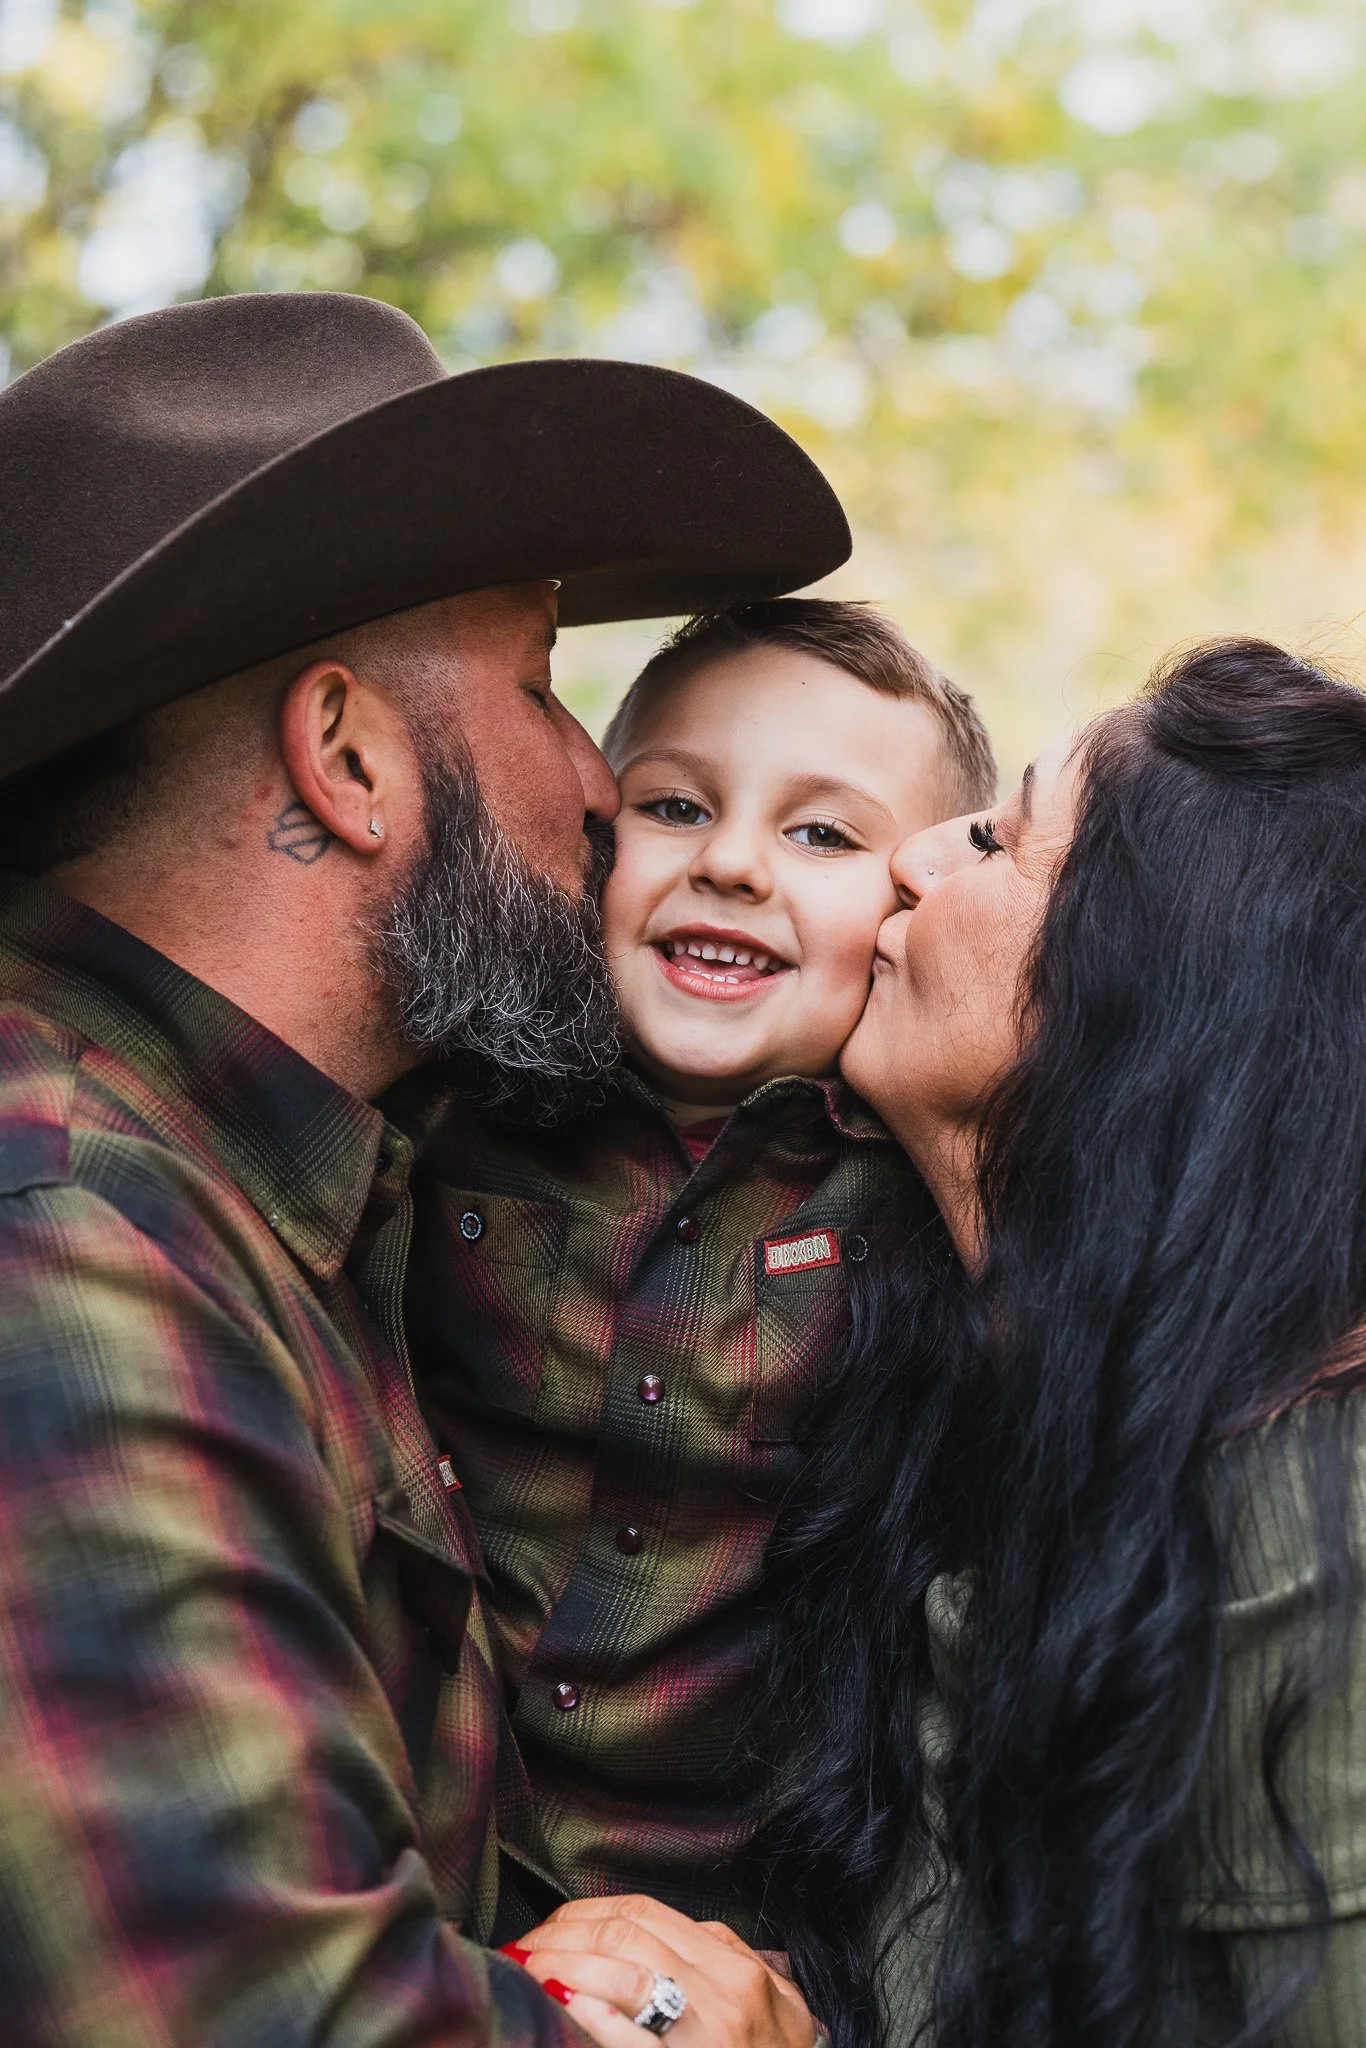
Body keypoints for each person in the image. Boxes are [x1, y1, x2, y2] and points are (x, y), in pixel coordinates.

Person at [0, 286, 848, 2047]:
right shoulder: (63, 1230)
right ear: (351, 756)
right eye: (542, 689)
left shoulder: (267, 1183)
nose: (598, 788)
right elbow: (262, 2014)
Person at [753, 637, 1366, 2048]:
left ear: (1152, 976)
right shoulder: (960, 1395)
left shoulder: (1320, 1518)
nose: (908, 859)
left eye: (998, 835)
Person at [403, 598, 996, 1936]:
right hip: (430, 1866)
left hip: (746, 1923)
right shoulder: (445, 1114)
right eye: (674, 808)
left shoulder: (922, 1206)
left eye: (821, 833)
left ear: (913, 907)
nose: (730, 864)